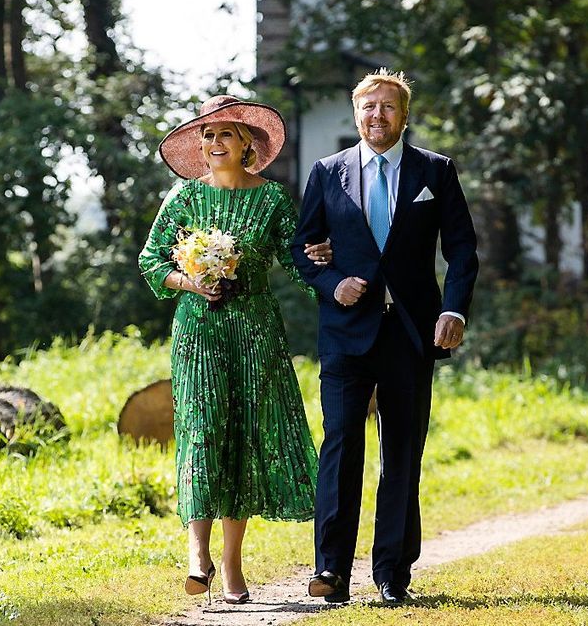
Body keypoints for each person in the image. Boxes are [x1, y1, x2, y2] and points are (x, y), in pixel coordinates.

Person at [291, 69, 479, 605]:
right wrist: (331, 283)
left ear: (404, 115)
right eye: (369, 107)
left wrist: (454, 310)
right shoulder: (327, 173)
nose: (378, 116)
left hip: (413, 333)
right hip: (345, 334)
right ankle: (330, 571)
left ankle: (393, 573)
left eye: (388, 107)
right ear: (357, 114)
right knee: (341, 447)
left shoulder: (435, 172)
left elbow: (462, 249)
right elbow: (304, 249)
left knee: (401, 453)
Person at [138, 95, 330, 605]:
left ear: (248, 142)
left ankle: (232, 565)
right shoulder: (182, 198)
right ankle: (197, 555)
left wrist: (335, 288)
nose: (213, 142)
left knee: (243, 437)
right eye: (206, 135)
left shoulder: (271, 201)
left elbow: (299, 263)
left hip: (255, 330)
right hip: (198, 331)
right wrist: (191, 280)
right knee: (202, 431)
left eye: (224, 133)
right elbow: (151, 262)